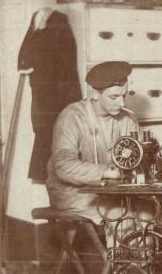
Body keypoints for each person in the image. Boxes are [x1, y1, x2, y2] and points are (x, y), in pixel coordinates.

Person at [46, 61, 137, 224]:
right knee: (121, 217)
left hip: (110, 190)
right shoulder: (72, 117)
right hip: (73, 192)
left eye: (124, 96)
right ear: (95, 94)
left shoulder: (127, 119)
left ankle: (140, 242)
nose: (122, 103)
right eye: (114, 97)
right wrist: (105, 172)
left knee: (147, 211)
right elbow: (63, 166)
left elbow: (138, 156)